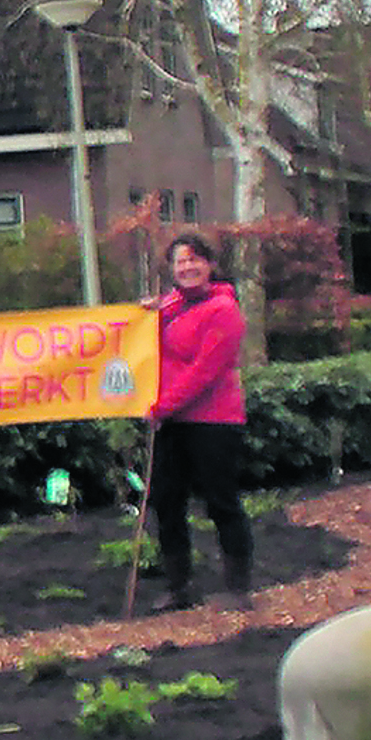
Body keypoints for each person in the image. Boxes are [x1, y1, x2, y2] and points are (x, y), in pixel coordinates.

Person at [146, 231, 254, 612]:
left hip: (214, 421)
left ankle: (238, 588)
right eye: (180, 261)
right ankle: (178, 587)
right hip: (172, 421)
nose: (188, 267)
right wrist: (142, 318)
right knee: (167, 502)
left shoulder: (224, 310)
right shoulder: (168, 307)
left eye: (195, 260)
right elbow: (143, 348)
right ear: (172, 269)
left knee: (221, 501)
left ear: (209, 265)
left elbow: (205, 371)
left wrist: (164, 405)